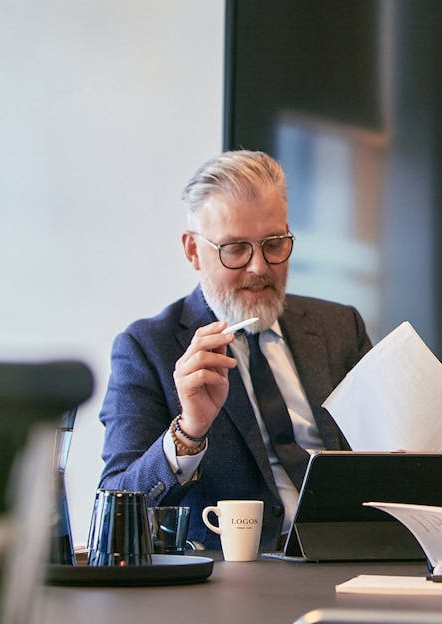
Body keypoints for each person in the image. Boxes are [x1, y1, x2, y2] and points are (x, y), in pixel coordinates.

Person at [98, 150, 372, 551]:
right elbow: (116, 507)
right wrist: (188, 433)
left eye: (273, 244)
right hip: (233, 580)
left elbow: (383, 453)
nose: (259, 267)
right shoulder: (147, 348)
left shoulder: (339, 327)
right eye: (235, 249)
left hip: (347, 558)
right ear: (193, 250)